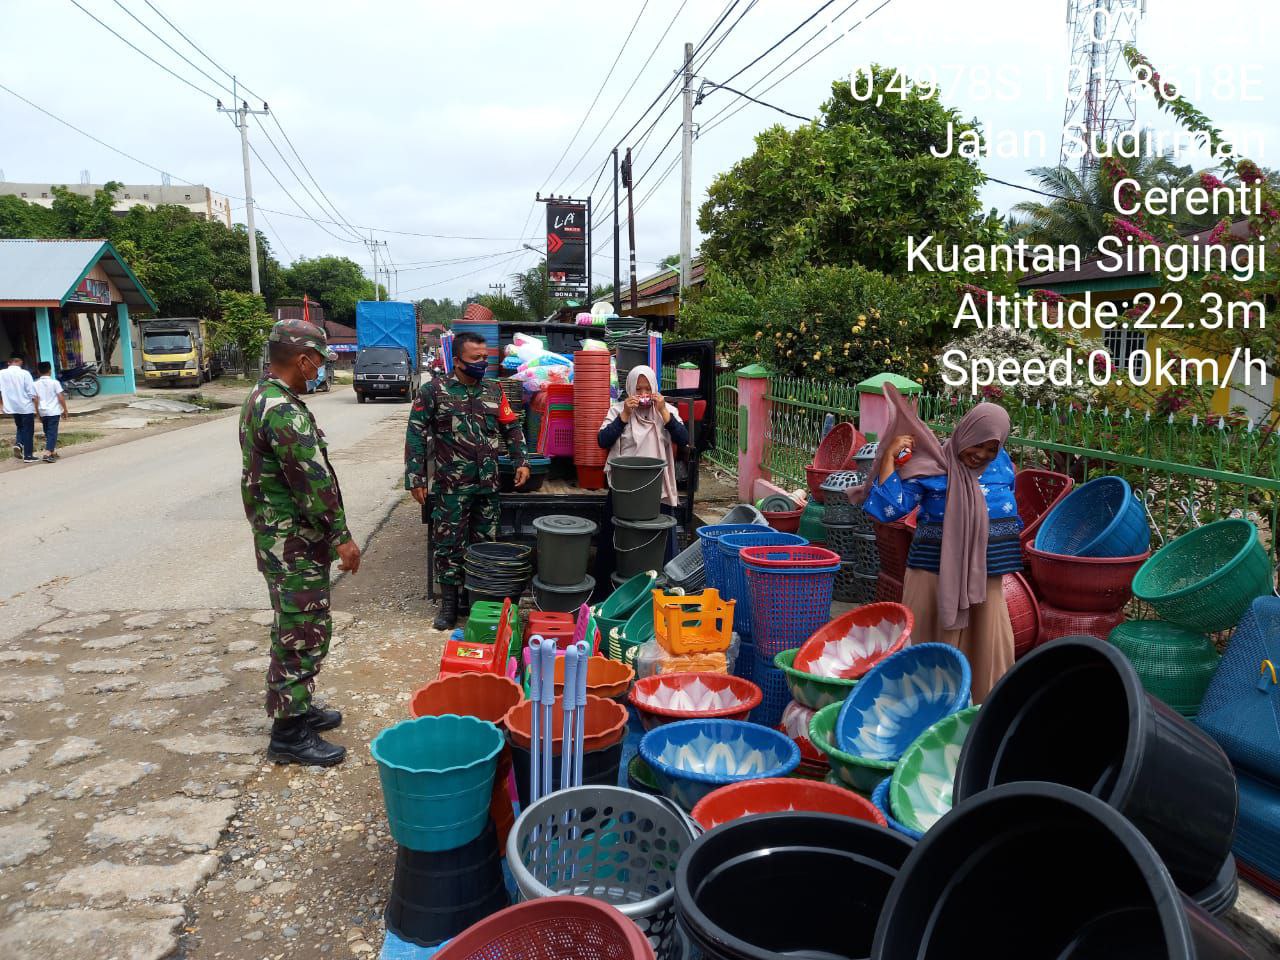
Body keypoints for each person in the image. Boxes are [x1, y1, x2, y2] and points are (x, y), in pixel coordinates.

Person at [240, 319, 362, 767]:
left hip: (279, 538)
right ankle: (288, 734)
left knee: (295, 625)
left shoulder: (260, 397)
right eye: (318, 362)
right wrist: (342, 539)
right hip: (295, 544)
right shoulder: (283, 410)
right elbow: (314, 485)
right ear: (302, 359)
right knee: (301, 632)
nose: (319, 371)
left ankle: (298, 706)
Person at [854, 384, 1021, 703]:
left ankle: (979, 722)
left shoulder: (1002, 466)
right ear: (965, 432)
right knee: (926, 650)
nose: (981, 454)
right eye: (978, 444)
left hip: (986, 577)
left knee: (988, 651)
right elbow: (889, 510)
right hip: (932, 574)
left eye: (991, 448)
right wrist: (889, 458)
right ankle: (921, 716)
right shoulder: (934, 463)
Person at [405, 331, 529, 630]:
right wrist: (416, 477)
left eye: (485, 358)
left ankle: (474, 601)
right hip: (452, 486)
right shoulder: (434, 391)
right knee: (448, 544)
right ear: (458, 360)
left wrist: (521, 459)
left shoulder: (493, 390)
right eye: (476, 359)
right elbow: (416, 433)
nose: (482, 363)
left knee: (485, 543)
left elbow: (511, 427)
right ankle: (449, 605)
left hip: (488, 485)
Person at [596, 365, 689, 568]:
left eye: (648, 389)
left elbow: (683, 439)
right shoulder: (618, 410)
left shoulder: (667, 411)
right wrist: (624, 416)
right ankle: (613, 589)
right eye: (638, 390)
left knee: (658, 537)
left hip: (657, 488)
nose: (644, 394)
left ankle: (660, 589)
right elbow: (603, 440)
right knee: (619, 535)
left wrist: (663, 411)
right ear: (630, 389)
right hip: (625, 488)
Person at [0, 354, 38, 463]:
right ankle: (28, 456)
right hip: (26, 406)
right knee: (28, 430)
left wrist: (2, 404)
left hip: (12, 406)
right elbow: (31, 391)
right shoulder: (24, 373)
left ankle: (19, 444)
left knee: (20, 427)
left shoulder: (1, 373)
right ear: (20, 362)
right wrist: (36, 403)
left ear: (9, 362)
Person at [33, 361, 67, 463]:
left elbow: (35, 399)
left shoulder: (35, 384)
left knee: (48, 432)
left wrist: (37, 413)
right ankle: (47, 453)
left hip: (42, 411)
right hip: (53, 411)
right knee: (52, 432)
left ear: (38, 371)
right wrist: (65, 409)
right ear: (50, 371)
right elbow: (60, 397)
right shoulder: (55, 383)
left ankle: (52, 451)